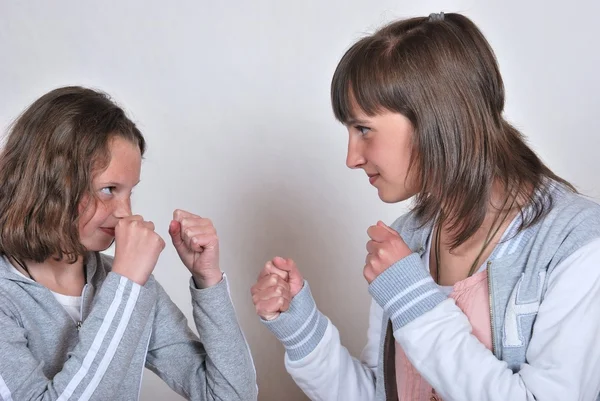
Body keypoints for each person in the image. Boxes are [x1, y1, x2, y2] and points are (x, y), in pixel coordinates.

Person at [251, 12, 600, 401]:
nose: (351, 157)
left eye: (363, 129)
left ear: (435, 120)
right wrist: (303, 330)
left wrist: (413, 299)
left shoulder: (577, 245)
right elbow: (384, 393)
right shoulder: (408, 240)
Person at [0, 86, 257, 401]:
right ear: (51, 183)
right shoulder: (122, 285)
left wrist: (209, 281)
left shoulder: (124, 282)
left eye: (129, 192)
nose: (125, 213)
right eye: (108, 189)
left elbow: (233, 396)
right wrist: (125, 285)